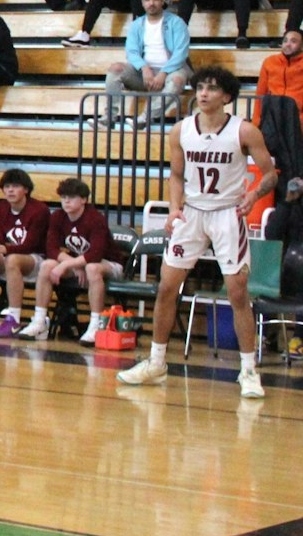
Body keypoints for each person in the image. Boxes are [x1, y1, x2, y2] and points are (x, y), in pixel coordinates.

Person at [118, 67, 276, 396]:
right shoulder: (181, 130)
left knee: (237, 293)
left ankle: (248, 371)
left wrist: (253, 194)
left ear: (227, 97)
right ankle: (157, 362)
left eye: (212, 89)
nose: (203, 93)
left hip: (227, 214)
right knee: (166, 287)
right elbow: (177, 175)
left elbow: (270, 174)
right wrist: (175, 207)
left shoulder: (244, 131)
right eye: (200, 87)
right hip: (192, 214)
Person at [19, 178, 124, 344]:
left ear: (83, 199)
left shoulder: (95, 218)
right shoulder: (58, 217)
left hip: (110, 264)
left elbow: (95, 255)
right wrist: (73, 265)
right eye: (63, 197)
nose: (66, 201)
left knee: (92, 268)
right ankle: (39, 321)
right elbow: (51, 249)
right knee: (47, 265)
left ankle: (96, 324)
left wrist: (68, 264)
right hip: (80, 262)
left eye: (72, 197)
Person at [97, 0, 190, 129]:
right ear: (142, 3)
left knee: (177, 80)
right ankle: (109, 117)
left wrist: (163, 73)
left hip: (171, 72)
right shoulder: (137, 24)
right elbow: (131, 52)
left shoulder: (176, 23)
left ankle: (145, 118)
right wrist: (144, 67)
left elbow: (181, 53)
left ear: (162, 1)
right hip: (143, 74)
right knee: (115, 68)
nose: (151, 3)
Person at [0, 167, 49, 337]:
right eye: (7, 187)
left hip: (36, 260)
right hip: (9, 258)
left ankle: (13, 318)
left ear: (26, 189)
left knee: (13, 260)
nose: (10, 190)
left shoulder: (39, 210)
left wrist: (3, 248)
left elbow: (31, 244)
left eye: (15, 186)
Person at [256, 30, 303, 120]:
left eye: (293, 41)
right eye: (285, 41)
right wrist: (256, 122)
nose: (288, 44)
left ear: (301, 45)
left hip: (297, 120)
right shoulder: (270, 62)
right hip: (272, 119)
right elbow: (260, 93)